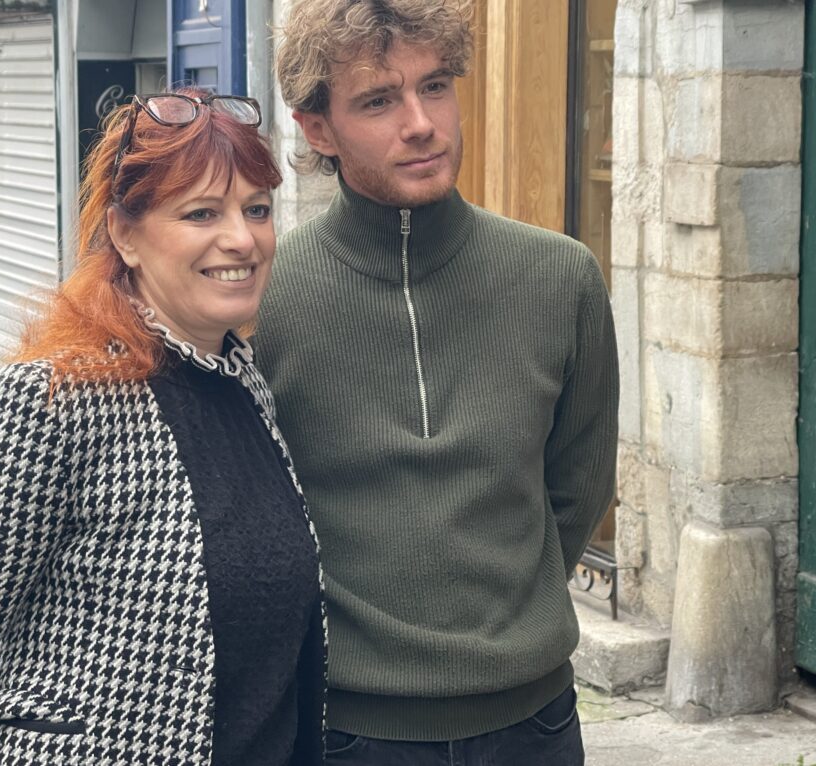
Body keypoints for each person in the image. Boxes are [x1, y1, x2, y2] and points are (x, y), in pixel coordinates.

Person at [0, 88, 326, 766]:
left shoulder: (242, 381)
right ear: (124, 234)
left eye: (257, 209)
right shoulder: (53, 399)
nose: (242, 238)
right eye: (202, 212)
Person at [256, 1, 619, 763]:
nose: (420, 123)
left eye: (436, 86)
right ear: (317, 128)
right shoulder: (266, 301)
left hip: (536, 724)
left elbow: (577, 488)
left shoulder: (560, 279)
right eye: (378, 100)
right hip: (350, 731)